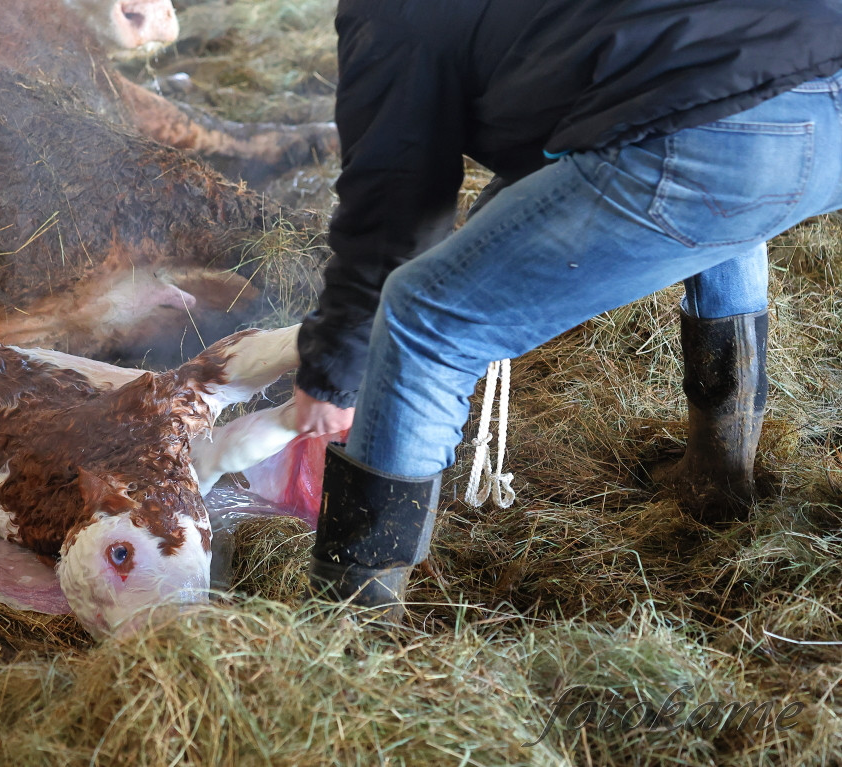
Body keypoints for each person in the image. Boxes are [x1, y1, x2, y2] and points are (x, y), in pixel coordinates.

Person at [293, 0, 842, 610]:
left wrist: (335, 372)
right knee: (720, 218)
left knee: (425, 318)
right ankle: (718, 479)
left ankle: (347, 631)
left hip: (719, 129)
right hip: (816, 82)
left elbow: (392, 207)